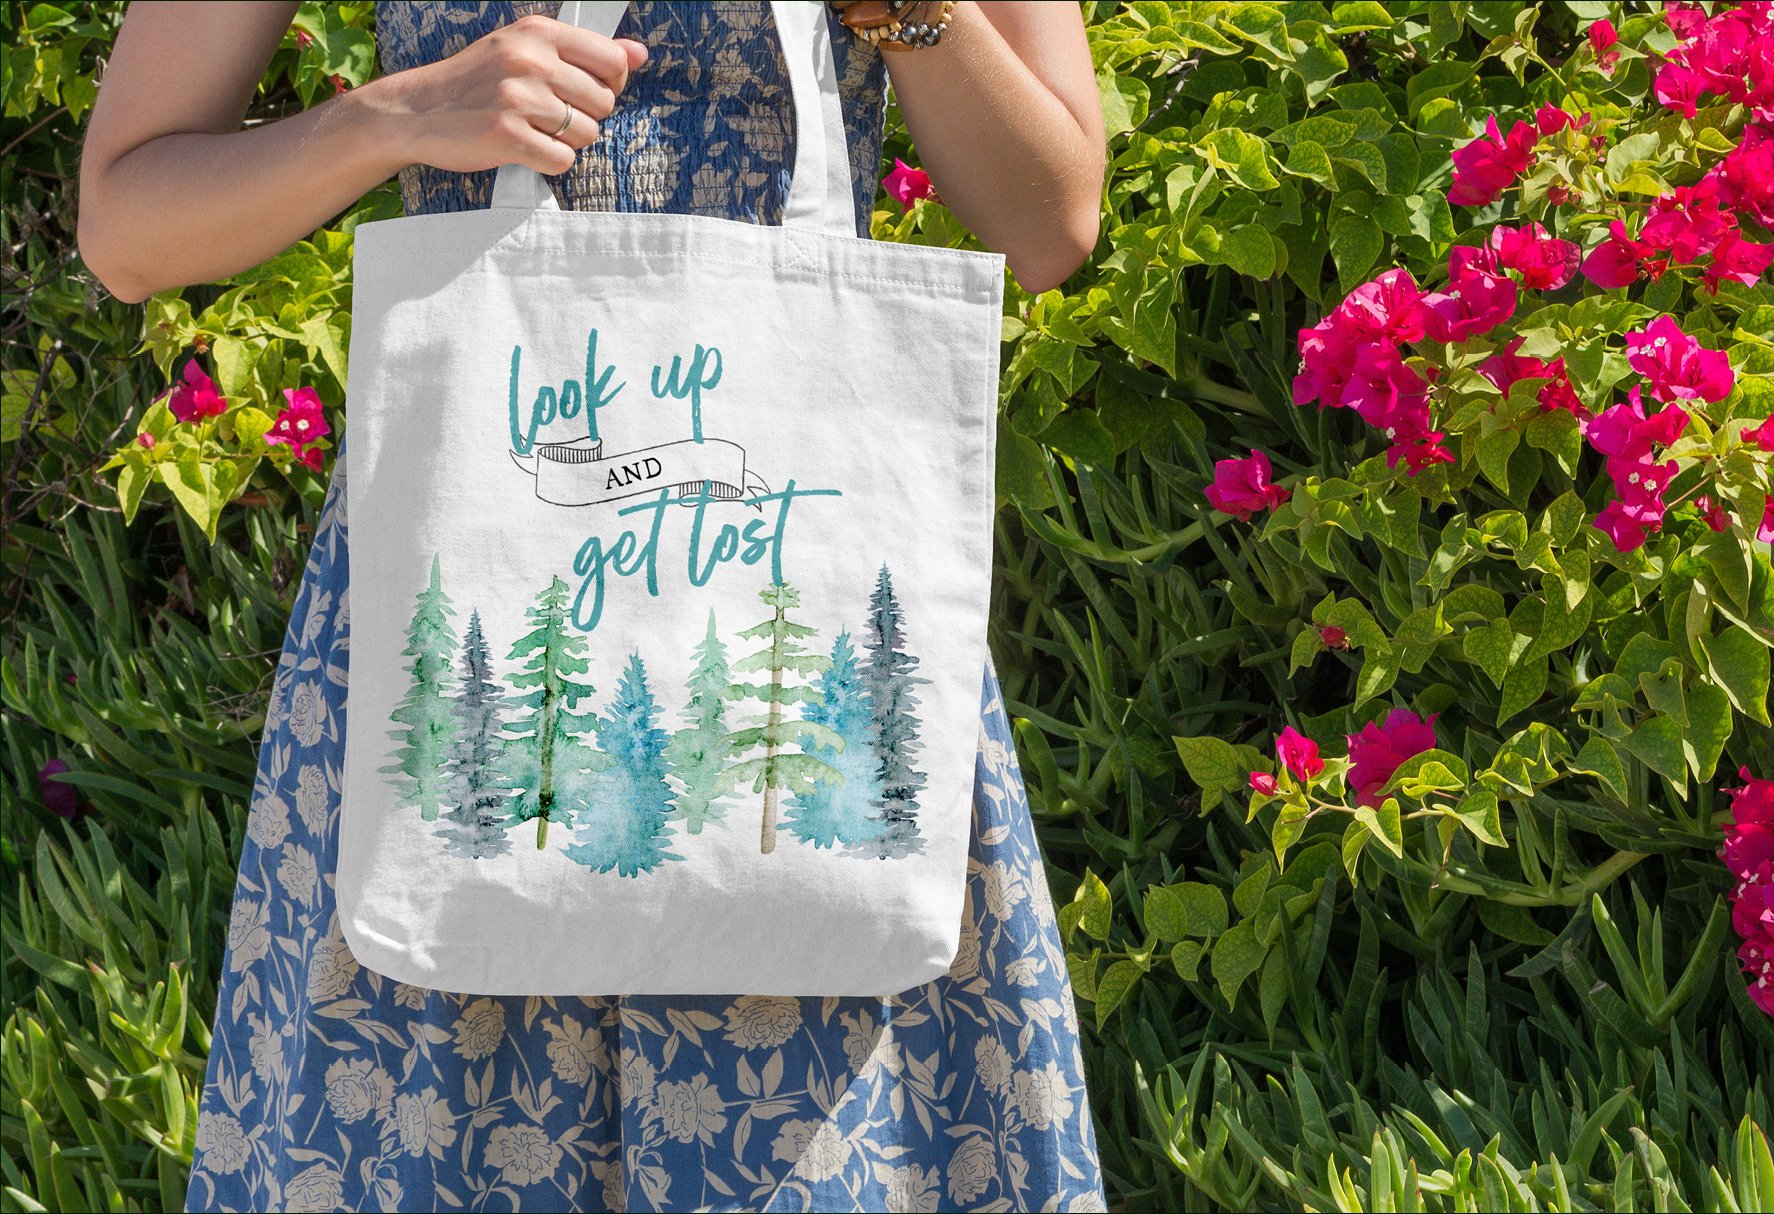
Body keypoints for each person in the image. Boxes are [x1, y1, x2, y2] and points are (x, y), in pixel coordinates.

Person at [80, 3, 1107, 1210]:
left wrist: (907, 15)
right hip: (472, 615)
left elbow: (1050, 223)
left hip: (800, 596)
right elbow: (127, 225)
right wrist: (403, 115)